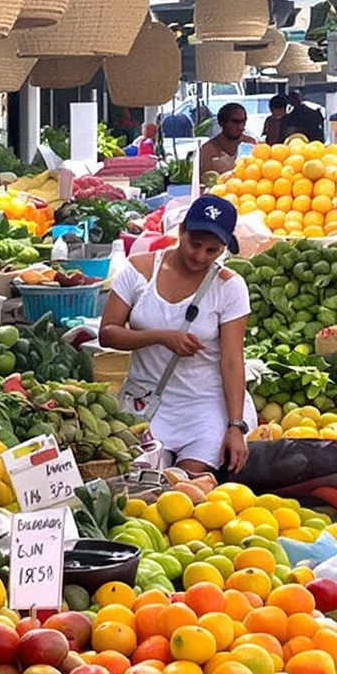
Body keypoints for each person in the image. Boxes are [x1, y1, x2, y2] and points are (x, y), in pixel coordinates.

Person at [100, 193, 252, 476]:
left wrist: (235, 425)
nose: (200, 256)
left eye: (212, 250)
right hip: (146, 402)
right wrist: (160, 336)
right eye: (195, 244)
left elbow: (232, 360)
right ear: (181, 231)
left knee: (188, 486)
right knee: (141, 483)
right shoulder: (138, 270)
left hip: (205, 405)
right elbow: (107, 334)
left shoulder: (230, 287)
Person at [197, 102, 247, 188]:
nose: (240, 127)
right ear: (221, 123)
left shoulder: (250, 144)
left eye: (243, 122)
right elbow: (204, 182)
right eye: (235, 122)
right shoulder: (207, 150)